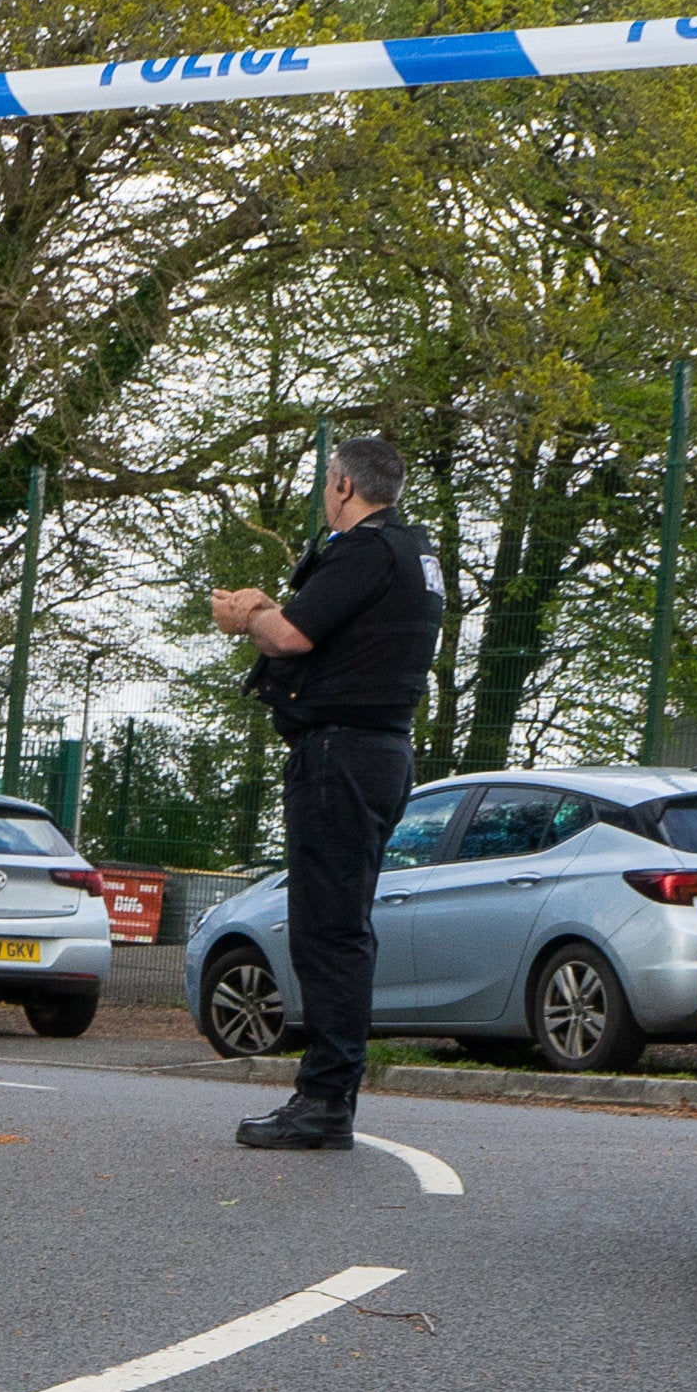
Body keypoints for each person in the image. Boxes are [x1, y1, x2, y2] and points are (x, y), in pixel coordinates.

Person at [209, 435, 445, 1151]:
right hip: (378, 751)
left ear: (344, 486)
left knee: (329, 928)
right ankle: (325, 1093)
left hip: (343, 755)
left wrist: (249, 613)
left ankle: (324, 1101)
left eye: (326, 486)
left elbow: (291, 637)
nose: (324, 498)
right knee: (339, 923)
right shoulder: (416, 555)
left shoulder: (368, 550)